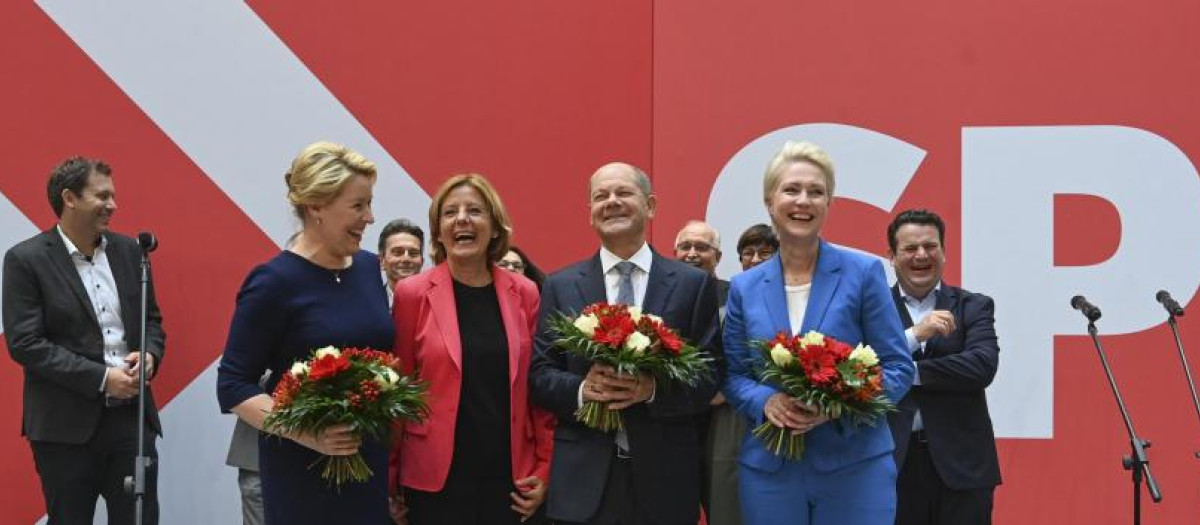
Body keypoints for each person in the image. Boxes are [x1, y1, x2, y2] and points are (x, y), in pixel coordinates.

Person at [723, 141, 915, 525]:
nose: (803, 201)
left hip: (855, 466)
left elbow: (897, 367)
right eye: (791, 190)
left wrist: (836, 403)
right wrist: (766, 401)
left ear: (830, 203)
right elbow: (734, 373)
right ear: (769, 200)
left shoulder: (863, 273)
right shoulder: (744, 287)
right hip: (771, 469)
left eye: (816, 192)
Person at [530, 162, 722, 525]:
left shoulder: (691, 284)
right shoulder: (561, 285)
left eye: (623, 193)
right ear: (590, 214)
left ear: (650, 206)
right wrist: (585, 389)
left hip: (665, 480)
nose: (612, 202)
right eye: (601, 197)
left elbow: (709, 377)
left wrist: (651, 390)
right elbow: (540, 375)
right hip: (583, 483)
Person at [216, 141, 393, 525]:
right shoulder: (273, 282)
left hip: (369, 464)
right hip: (301, 474)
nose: (370, 217)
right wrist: (306, 432)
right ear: (316, 207)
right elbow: (233, 384)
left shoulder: (367, 268)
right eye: (358, 206)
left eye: (369, 203)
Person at [2, 156, 166, 525]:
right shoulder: (25, 260)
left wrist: (151, 355)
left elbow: (152, 321)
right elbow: (25, 343)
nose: (113, 205)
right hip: (65, 428)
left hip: (131, 421)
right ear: (69, 198)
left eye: (113, 196)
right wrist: (103, 378)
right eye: (103, 195)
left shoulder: (129, 252)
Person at [391, 174, 555, 525]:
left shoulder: (525, 292)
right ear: (437, 231)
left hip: (513, 481)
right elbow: (398, 391)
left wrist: (545, 468)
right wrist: (390, 483)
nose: (462, 219)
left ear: (495, 228)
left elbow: (538, 388)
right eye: (450, 213)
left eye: (475, 211)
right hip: (435, 482)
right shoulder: (412, 294)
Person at [884, 209, 1001, 525]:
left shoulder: (973, 305)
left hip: (962, 467)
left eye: (930, 246)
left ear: (944, 252)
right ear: (892, 256)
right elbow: (862, 366)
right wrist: (913, 336)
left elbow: (981, 365)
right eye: (910, 248)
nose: (921, 255)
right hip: (892, 465)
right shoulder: (872, 308)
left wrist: (907, 373)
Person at [673, 220, 741, 525]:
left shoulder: (736, 295)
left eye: (702, 247)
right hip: (674, 419)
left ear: (718, 256)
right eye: (685, 247)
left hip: (722, 420)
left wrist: (725, 389)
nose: (692, 253)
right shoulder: (665, 296)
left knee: (725, 509)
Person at [378, 218, 425, 306]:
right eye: (397, 252)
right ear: (381, 261)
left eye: (413, 253)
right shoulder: (368, 305)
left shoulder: (434, 305)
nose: (406, 259)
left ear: (422, 262)